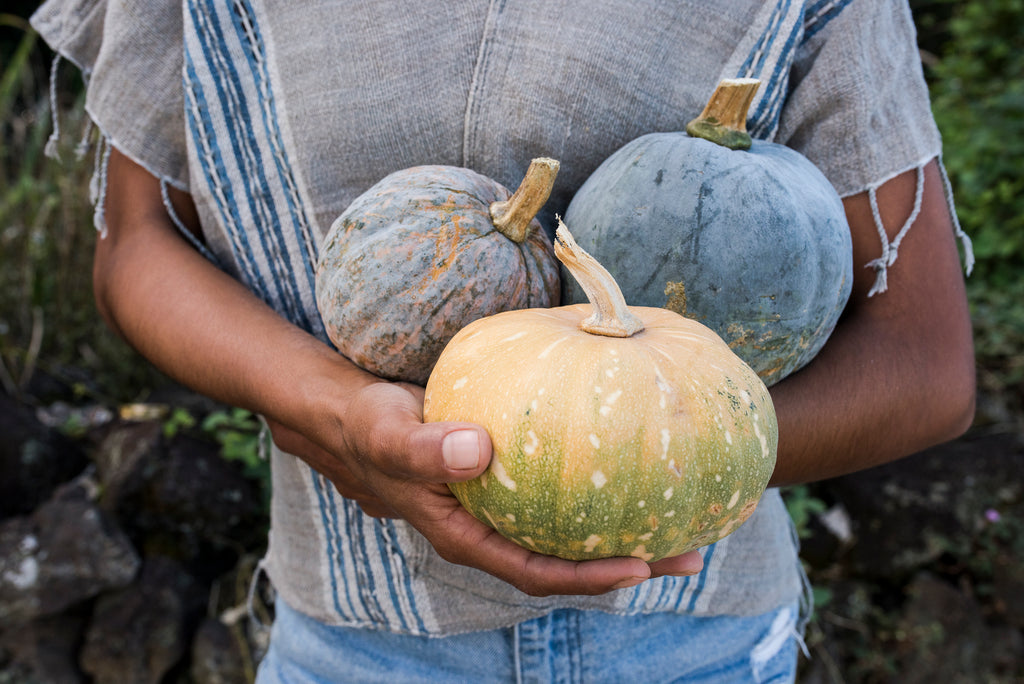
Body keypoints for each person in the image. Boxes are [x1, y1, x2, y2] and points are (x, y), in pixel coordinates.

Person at [32, 0, 975, 681]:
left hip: (687, 646)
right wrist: (326, 405)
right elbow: (136, 247)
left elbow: (925, 368)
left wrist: (605, 465)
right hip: (353, 636)